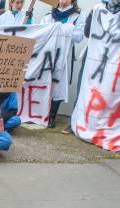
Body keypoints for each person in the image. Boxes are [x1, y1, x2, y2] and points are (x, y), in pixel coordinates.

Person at [41, 0, 84, 129]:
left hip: (65, 55)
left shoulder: (78, 16)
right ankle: (43, 113)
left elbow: (79, 36)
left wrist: (64, 30)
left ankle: (52, 115)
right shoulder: (49, 15)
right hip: (48, 54)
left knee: (59, 84)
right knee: (45, 81)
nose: (63, 1)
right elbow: (42, 32)